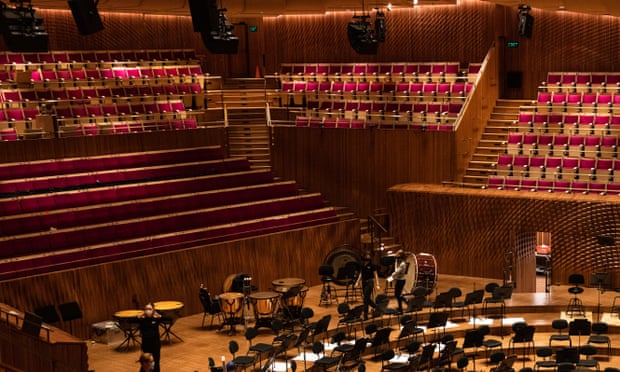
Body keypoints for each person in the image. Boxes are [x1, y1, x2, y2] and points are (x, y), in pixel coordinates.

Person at [139, 303, 162, 372]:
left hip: (155, 345)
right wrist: (138, 317)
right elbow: (130, 321)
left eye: (149, 309)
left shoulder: (156, 319)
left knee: (156, 362)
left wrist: (160, 316)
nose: (147, 311)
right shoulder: (142, 320)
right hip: (146, 345)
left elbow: (168, 319)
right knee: (145, 362)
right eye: (146, 309)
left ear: (153, 310)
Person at [360, 251, 380, 320]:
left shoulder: (372, 266)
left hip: (370, 282)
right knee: (366, 298)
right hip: (363, 282)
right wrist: (357, 281)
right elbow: (361, 274)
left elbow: (375, 275)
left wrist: (377, 284)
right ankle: (376, 307)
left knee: (366, 299)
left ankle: (365, 316)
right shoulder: (362, 265)